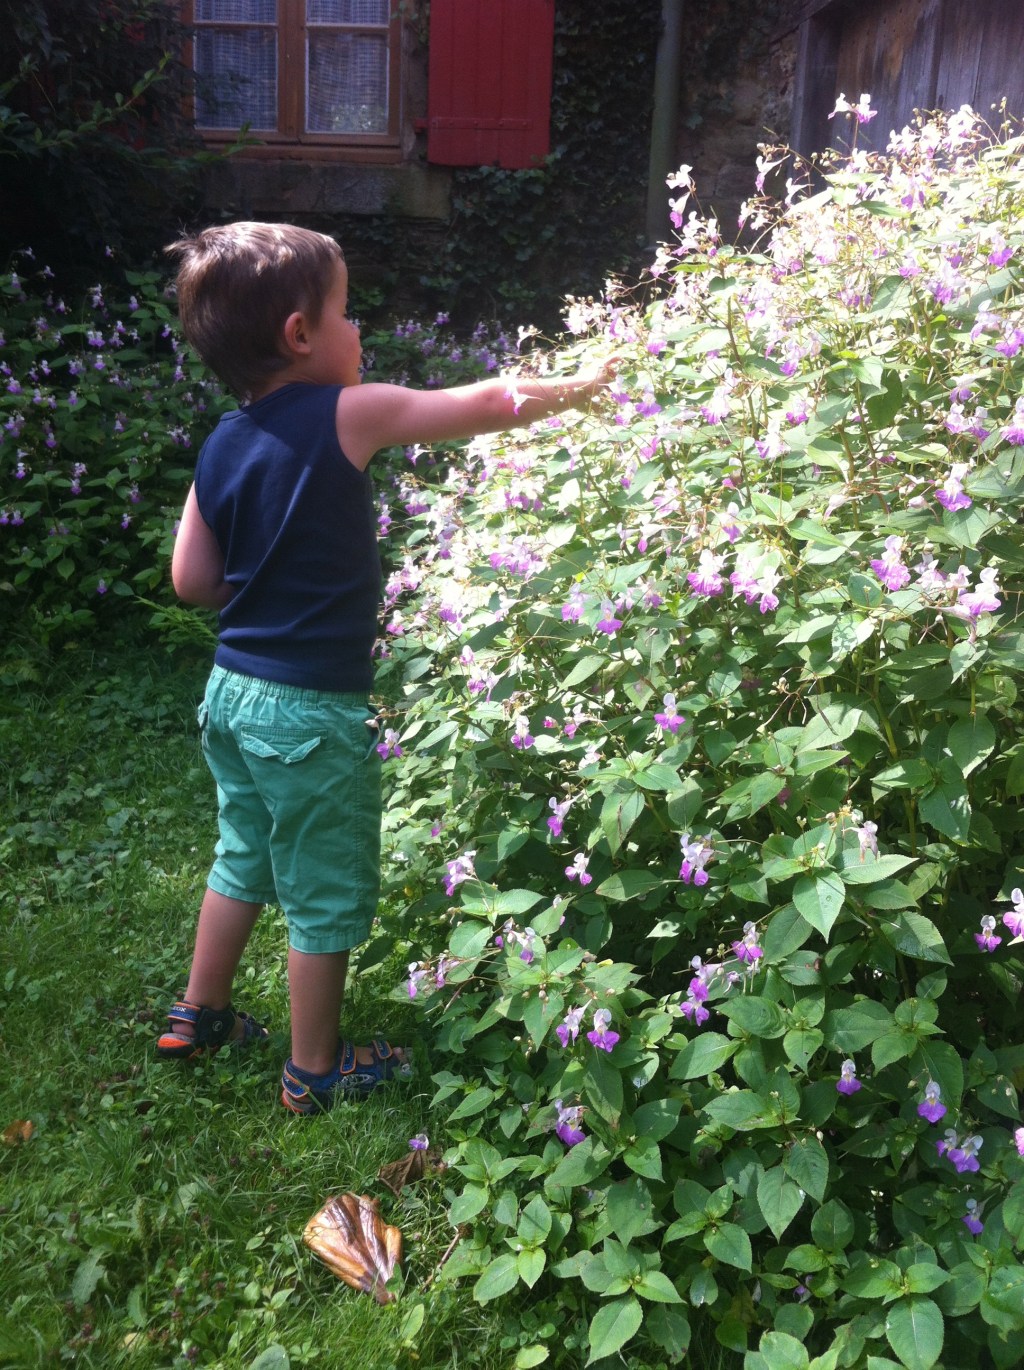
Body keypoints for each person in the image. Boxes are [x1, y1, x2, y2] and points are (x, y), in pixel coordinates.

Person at [158, 221, 614, 1113]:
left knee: (242, 852)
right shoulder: (348, 412)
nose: (358, 328)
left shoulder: (221, 441)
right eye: (346, 311)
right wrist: (581, 389)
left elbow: (191, 582)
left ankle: (199, 1011)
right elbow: (483, 404)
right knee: (322, 885)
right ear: (300, 334)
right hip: (307, 710)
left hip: (231, 695)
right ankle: (315, 1070)